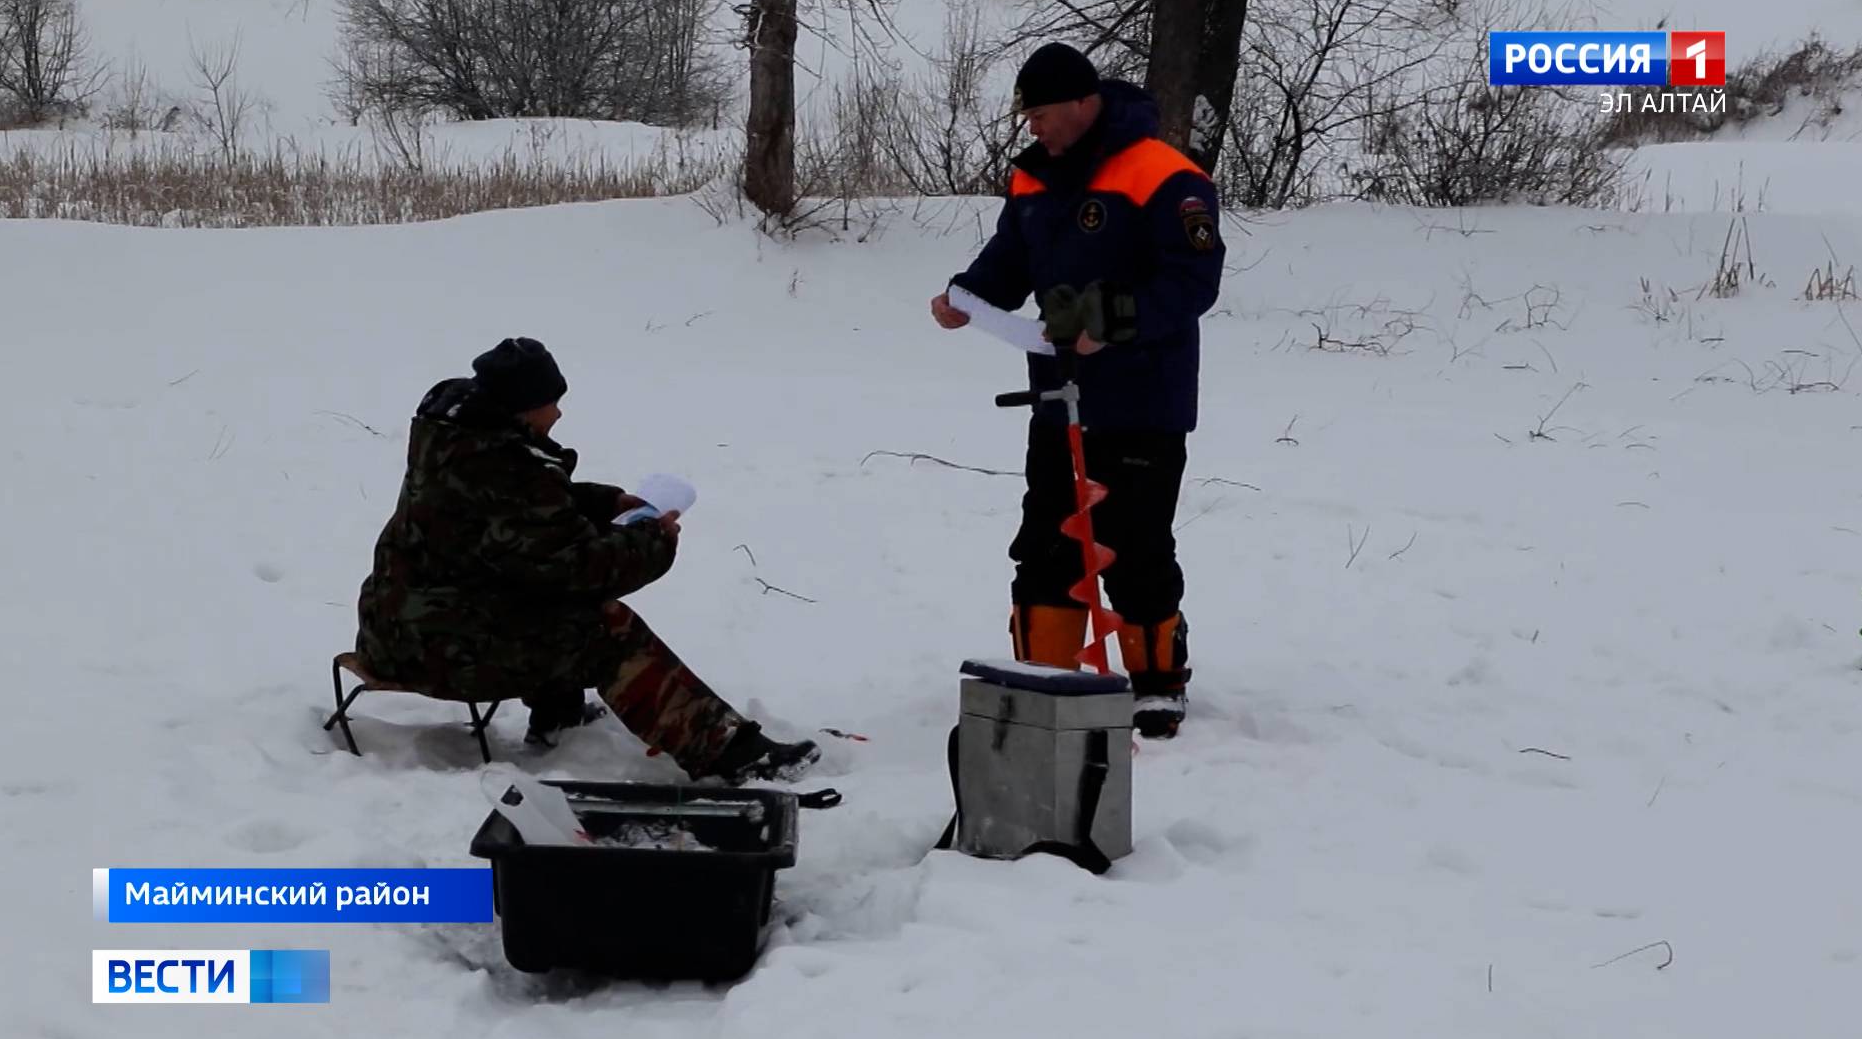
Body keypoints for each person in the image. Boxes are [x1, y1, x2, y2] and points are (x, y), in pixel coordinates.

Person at [353, 337, 821, 783]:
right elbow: (581, 569)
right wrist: (653, 537)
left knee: (526, 598)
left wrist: (603, 502)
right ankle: (728, 752)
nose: (558, 412)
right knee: (603, 625)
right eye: (550, 402)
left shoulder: (457, 444)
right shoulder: (507, 467)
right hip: (436, 652)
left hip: (393, 626)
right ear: (521, 407)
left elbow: (504, 514)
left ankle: (559, 716)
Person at [930, 43, 1226, 738]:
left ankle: (1156, 682)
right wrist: (967, 296)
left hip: (1143, 392)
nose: (1031, 126)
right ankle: (1044, 676)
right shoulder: (1035, 179)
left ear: (1079, 102)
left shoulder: (1165, 174)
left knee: (1136, 537)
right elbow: (1010, 258)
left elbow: (1192, 281)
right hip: (1058, 391)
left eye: (1038, 112)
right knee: (1048, 537)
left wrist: (1112, 325)